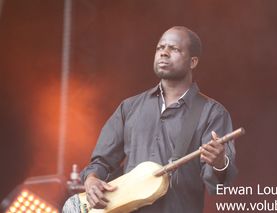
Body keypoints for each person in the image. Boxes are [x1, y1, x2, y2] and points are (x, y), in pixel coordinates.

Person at [63, 26, 237, 213]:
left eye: (174, 49)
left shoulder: (212, 113)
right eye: (160, 48)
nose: (164, 53)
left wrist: (220, 163)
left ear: (193, 62)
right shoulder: (129, 107)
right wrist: (91, 181)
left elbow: (219, 185)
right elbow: (101, 162)